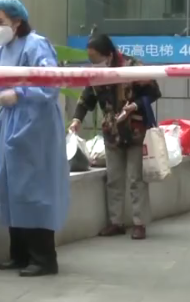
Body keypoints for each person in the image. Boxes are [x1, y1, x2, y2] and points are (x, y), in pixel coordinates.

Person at [0, 0, 70, 277]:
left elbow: (50, 84)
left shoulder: (36, 45)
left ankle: (44, 258)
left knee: (34, 189)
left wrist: (20, 93)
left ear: (17, 21)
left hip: (36, 125)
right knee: (11, 188)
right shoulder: (0, 52)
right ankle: (20, 253)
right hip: (10, 124)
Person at [68, 33, 161, 240]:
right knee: (114, 178)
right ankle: (116, 222)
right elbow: (86, 98)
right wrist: (77, 119)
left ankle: (139, 223)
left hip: (135, 129)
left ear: (109, 55)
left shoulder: (133, 66)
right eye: (90, 59)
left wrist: (135, 105)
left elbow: (153, 91)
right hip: (112, 131)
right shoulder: (96, 72)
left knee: (136, 179)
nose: (94, 63)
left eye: (96, 58)